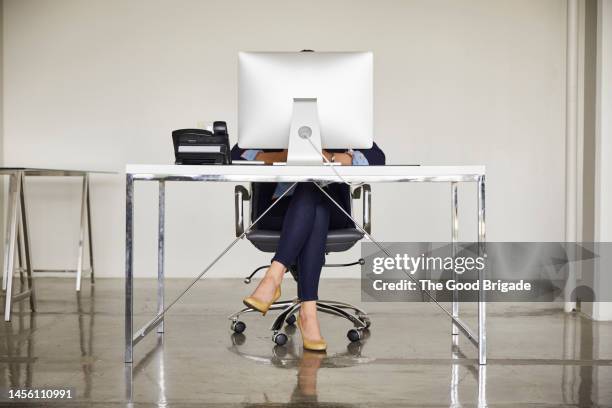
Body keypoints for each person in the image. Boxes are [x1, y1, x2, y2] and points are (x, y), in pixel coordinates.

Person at [231, 144, 385, 351]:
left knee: (311, 186)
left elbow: (377, 157)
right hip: (278, 210)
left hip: (334, 210)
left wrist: (329, 157)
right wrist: (284, 156)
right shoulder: (276, 121)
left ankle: (273, 277)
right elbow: (235, 154)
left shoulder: (339, 121)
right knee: (315, 208)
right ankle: (308, 314)